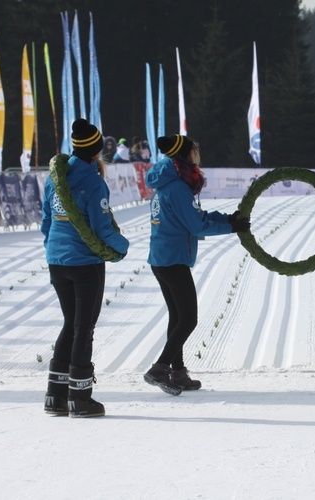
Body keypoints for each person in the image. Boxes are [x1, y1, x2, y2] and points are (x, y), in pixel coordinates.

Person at [144, 134, 250, 395]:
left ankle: (177, 372)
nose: (197, 155)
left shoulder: (167, 183)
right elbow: (195, 224)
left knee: (178, 316)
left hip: (162, 257)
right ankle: (160, 367)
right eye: (194, 150)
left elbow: (193, 217)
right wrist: (230, 227)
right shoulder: (178, 188)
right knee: (189, 318)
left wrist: (226, 218)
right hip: (173, 259)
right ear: (185, 154)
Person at [41, 118, 130, 418]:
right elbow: (102, 227)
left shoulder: (55, 177)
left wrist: (52, 247)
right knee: (83, 327)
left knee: (70, 323)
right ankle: (80, 397)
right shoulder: (93, 182)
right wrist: (121, 247)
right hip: (85, 263)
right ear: (96, 150)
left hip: (57, 260)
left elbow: (45, 220)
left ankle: (55, 395)